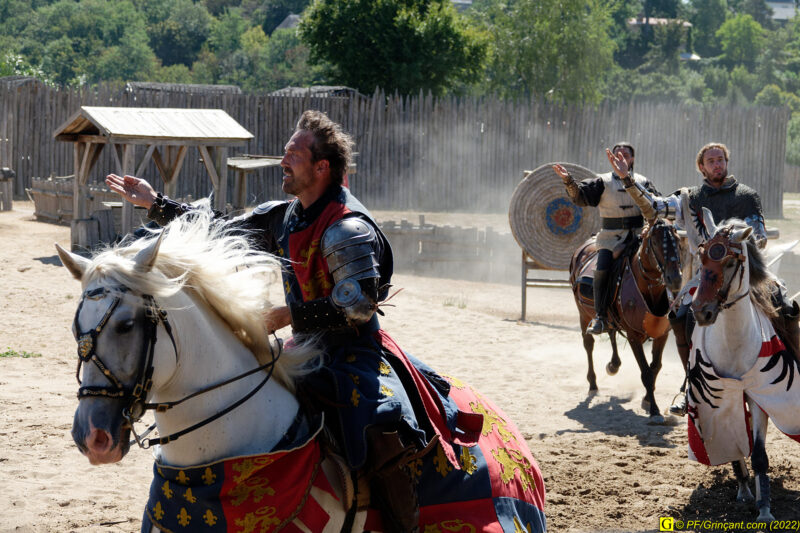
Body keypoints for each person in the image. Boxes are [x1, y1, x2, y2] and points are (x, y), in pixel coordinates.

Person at [106, 110, 480, 533]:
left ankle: (402, 524)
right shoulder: (288, 215)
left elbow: (359, 305)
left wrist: (289, 314)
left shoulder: (346, 228)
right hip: (303, 347)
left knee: (378, 428)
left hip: (353, 353)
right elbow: (223, 229)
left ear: (321, 167)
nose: (283, 162)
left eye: (294, 156)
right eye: (285, 153)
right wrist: (156, 203)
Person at [609, 142, 800, 417]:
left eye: (720, 159)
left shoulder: (747, 196)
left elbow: (758, 234)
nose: (717, 164)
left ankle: (796, 368)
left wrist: (737, 244)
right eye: (711, 161)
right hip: (706, 277)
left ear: (726, 162)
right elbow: (653, 208)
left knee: (787, 307)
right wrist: (627, 179)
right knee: (679, 317)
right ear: (701, 167)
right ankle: (691, 386)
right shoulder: (688, 198)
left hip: (746, 272)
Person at [553, 143, 661, 335]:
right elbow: (581, 198)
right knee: (602, 269)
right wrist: (568, 181)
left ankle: (664, 314)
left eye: (625, 154)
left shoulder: (643, 182)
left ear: (632, 159)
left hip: (640, 236)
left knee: (663, 263)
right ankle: (601, 316)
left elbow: (658, 204)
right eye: (617, 154)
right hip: (611, 239)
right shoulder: (602, 181)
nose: (621, 157)